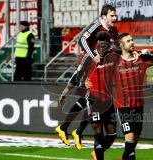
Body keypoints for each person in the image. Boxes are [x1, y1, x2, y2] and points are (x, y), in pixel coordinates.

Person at [55, 5, 119, 159]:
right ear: (104, 17)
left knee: (93, 99)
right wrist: (93, 56)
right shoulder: (96, 26)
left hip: (104, 68)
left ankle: (71, 129)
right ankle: (67, 128)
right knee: (89, 96)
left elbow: (115, 46)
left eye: (115, 15)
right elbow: (82, 39)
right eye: (112, 15)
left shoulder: (113, 30)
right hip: (90, 64)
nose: (115, 18)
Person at [113, 29, 153, 160]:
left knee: (136, 138)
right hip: (123, 106)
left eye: (132, 39)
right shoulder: (114, 61)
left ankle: (124, 158)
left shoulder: (142, 58)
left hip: (138, 105)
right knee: (130, 137)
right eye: (128, 41)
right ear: (121, 45)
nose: (132, 42)